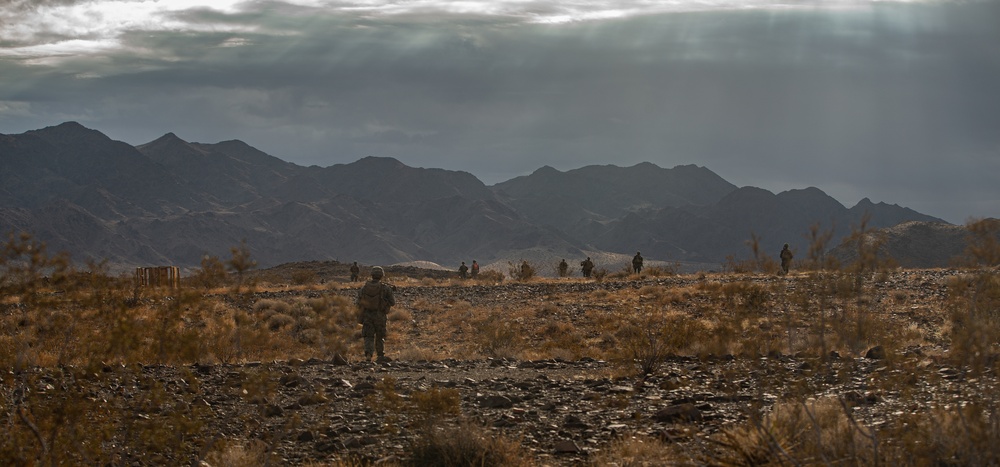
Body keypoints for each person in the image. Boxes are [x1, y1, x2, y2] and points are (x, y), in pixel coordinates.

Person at [357, 266, 396, 363]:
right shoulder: (385, 288)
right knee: (380, 336)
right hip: (380, 316)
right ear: (381, 275)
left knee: (368, 336)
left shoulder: (364, 288)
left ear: (372, 275)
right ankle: (380, 356)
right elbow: (393, 302)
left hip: (367, 316)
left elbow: (358, 303)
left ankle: (369, 355)